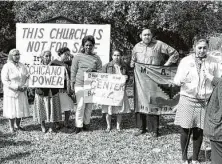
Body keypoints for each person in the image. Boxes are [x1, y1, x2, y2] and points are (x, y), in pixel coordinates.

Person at [173, 38, 220, 164]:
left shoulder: (214, 61)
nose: (202, 50)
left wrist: (211, 77)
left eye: (204, 48)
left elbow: (219, 81)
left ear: (207, 48)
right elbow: (176, 80)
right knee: (185, 129)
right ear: (194, 47)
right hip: (188, 98)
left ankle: (195, 158)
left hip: (204, 101)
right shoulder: (185, 61)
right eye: (199, 48)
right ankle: (184, 157)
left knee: (199, 129)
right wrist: (182, 80)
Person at [130, 28, 179, 137]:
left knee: (153, 102)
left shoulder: (159, 44)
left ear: (152, 35)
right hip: (140, 80)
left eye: (148, 34)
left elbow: (174, 53)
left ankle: (153, 130)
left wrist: (166, 65)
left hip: (154, 79)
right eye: (144, 35)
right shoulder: (136, 47)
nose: (147, 36)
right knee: (139, 101)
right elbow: (132, 61)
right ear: (140, 36)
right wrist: (133, 66)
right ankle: (140, 128)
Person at [71, 35, 102, 134]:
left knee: (89, 106)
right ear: (83, 45)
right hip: (80, 84)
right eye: (86, 45)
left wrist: (93, 70)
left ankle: (86, 123)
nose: (88, 47)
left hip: (92, 85)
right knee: (80, 105)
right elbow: (73, 70)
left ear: (93, 46)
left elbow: (101, 71)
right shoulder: (78, 57)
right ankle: (78, 125)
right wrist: (72, 84)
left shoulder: (96, 58)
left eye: (90, 45)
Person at [1, 49, 30, 133]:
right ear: (11, 56)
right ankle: (11, 127)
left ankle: (17, 125)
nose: (17, 56)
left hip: (21, 91)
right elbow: (5, 80)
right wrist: (16, 87)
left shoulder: (22, 66)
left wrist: (25, 86)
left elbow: (27, 77)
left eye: (18, 54)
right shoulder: (7, 66)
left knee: (20, 108)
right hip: (11, 91)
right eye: (15, 55)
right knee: (12, 109)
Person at [33, 50, 62, 133]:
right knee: (42, 108)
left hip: (52, 91)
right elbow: (34, 80)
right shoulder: (37, 68)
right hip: (41, 92)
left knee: (53, 108)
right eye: (46, 56)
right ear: (42, 57)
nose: (48, 58)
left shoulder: (55, 67)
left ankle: (52, 126)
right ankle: (42, 125)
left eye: (49, 56)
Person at [101, 50, 131, 132]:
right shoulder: (106, 66)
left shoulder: (124, 66)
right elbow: (102, 78)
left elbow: (128, 76)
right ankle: (108, 126)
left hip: (120, 91)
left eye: (118, 55)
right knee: (108, 109)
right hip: (109, 91)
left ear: (121, 56)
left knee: (120, 109)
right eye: (114, 55)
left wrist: (126, 78)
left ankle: (118, 126)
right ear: (112, 56)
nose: (116, 57)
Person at [49, 47, 74, 129]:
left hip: (65, 89)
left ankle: (66, 121)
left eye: (68, 54)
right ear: (60, 53)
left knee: (68, 105)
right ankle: (56, 122)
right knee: (56, 106)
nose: (67, 56)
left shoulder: (68, 63)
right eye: (66, 54)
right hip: (56, 89)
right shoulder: (53, 63)